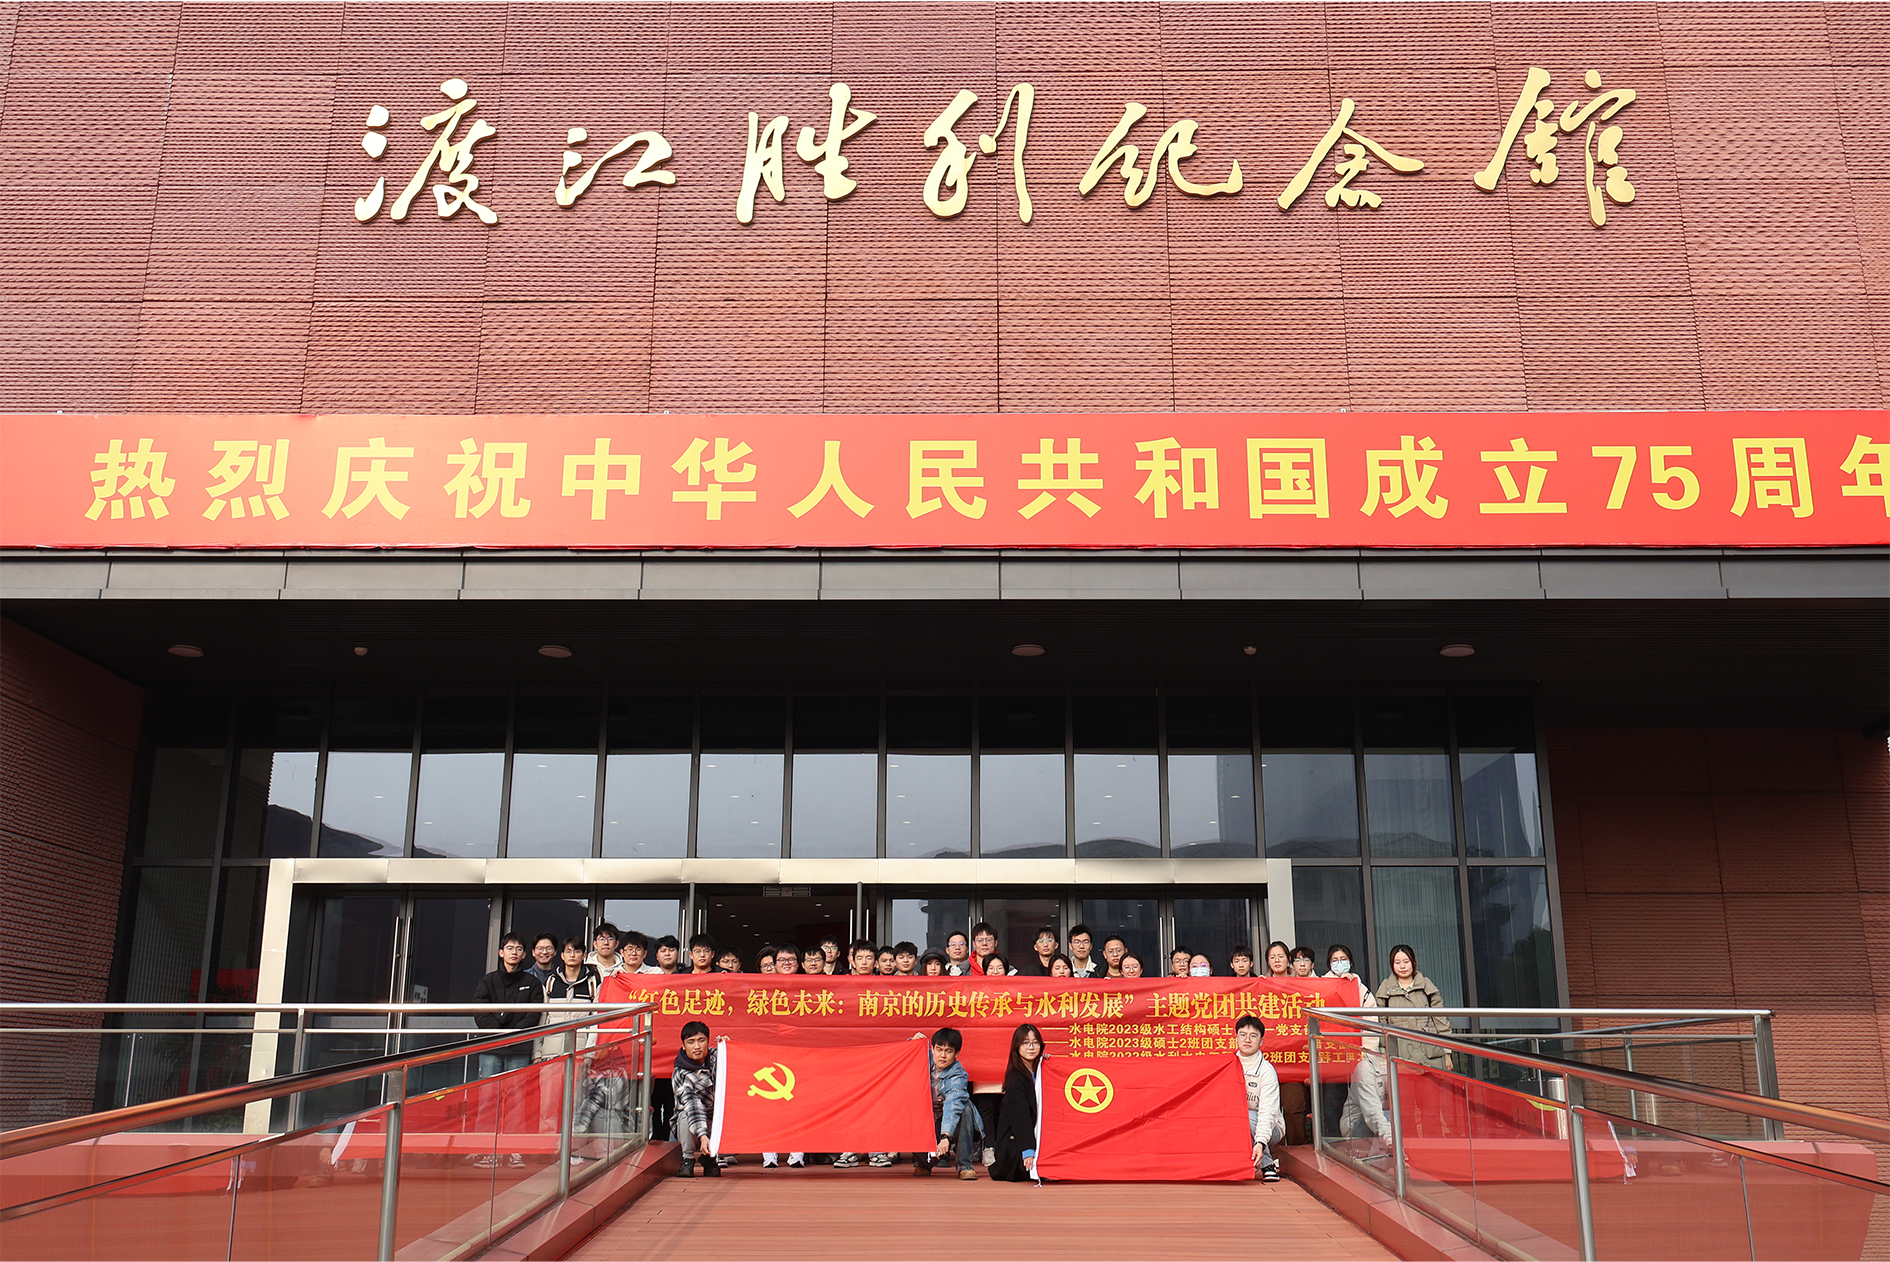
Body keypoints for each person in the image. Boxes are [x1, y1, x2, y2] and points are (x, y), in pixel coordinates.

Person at [471, 933, 541, 1170]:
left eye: (518, 949)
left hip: (519, 1049)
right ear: (501, 952)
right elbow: (480, 1012)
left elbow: (533, 1015)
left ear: (524, 954)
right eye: (510, 948)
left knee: (517, 1101)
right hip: (491, 1047)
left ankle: (514, 1150)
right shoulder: (488, 981)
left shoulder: (532, 983)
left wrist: (512, 1034)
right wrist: (499, 1034)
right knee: (487, 1100)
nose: (514, 952)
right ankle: (486, 1151)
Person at [1323, 944, 1385, 1148]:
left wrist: (1366, 1056)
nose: (1339, 963)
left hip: (1358, 1057)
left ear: (1351, 962)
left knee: (1358, 1101)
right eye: (1334, 960)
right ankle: (1333, 1146)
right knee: (1331, 1102)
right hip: (1331, 1057)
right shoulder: (1320, 986)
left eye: (1343, 959)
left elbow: (1371, 1024)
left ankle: (1356, 1145)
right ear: (1329, 964)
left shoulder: (1361, 989)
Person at [1374, 944, 1452, 1072]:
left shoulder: (1426, 985)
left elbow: (1441, 1020)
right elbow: (1381, 1026)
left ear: (1413, 962)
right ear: (1391, 964)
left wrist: (1447, 1053)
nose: (1402, 966)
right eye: (1397, 962)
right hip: (1400, 1057)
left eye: (1406, 961)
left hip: (1431, 1056)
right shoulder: (1385, 989)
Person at [916, 1028, 979, 1180]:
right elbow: (902, 1060)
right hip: (925, 1120)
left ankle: (965, 1165)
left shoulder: (958, 1073)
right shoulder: (922, 1059)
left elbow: (953, 1104)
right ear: (932, 1049)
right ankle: (924, 1163)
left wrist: (946, 1136)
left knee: (965, 1108)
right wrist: (914, 1043)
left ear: (956, 1053)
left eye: (948, 1051)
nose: (942, 1055)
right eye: (939, 1049)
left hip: (949, 1123)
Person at [990, 1024, 1045, 1182]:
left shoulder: (1041, 1070)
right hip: (1016, 1142)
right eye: (1025, 1043)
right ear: (1017, 1047)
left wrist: (1048, 1063)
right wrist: (1028, 1150)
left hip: (1035, 1136)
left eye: (1035, 1042)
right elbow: (1020, 1118)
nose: (1031, 1047)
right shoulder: (1016, 1078)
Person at [1235, 1015, 1284, 1183]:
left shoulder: (1266, 1071)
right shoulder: (1228, 1065)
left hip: (1270, 1128)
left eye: (1253, 1035)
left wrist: (1261, 1142)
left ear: (1261, 1041)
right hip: (1239, 1125)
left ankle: (1267, 1164)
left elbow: (1267, 1112)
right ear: (1236, 1038)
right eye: (1243, 1034)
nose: (1247, 1039)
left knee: (1244, 1117)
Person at [672, 1021, 720, 1178]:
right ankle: (687, 1159)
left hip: (715, 1119)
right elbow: (693, 1105)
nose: (697, 1046)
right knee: (685, 1115)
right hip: (692, 1122)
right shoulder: (680, 1073)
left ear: (708, 1041)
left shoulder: (716, 1058)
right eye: (691, 1042)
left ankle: (710, 1158)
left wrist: (729, 1048)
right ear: (683, 1046)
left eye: (701, 1040)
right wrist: (703, 1136)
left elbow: (737, 1066)